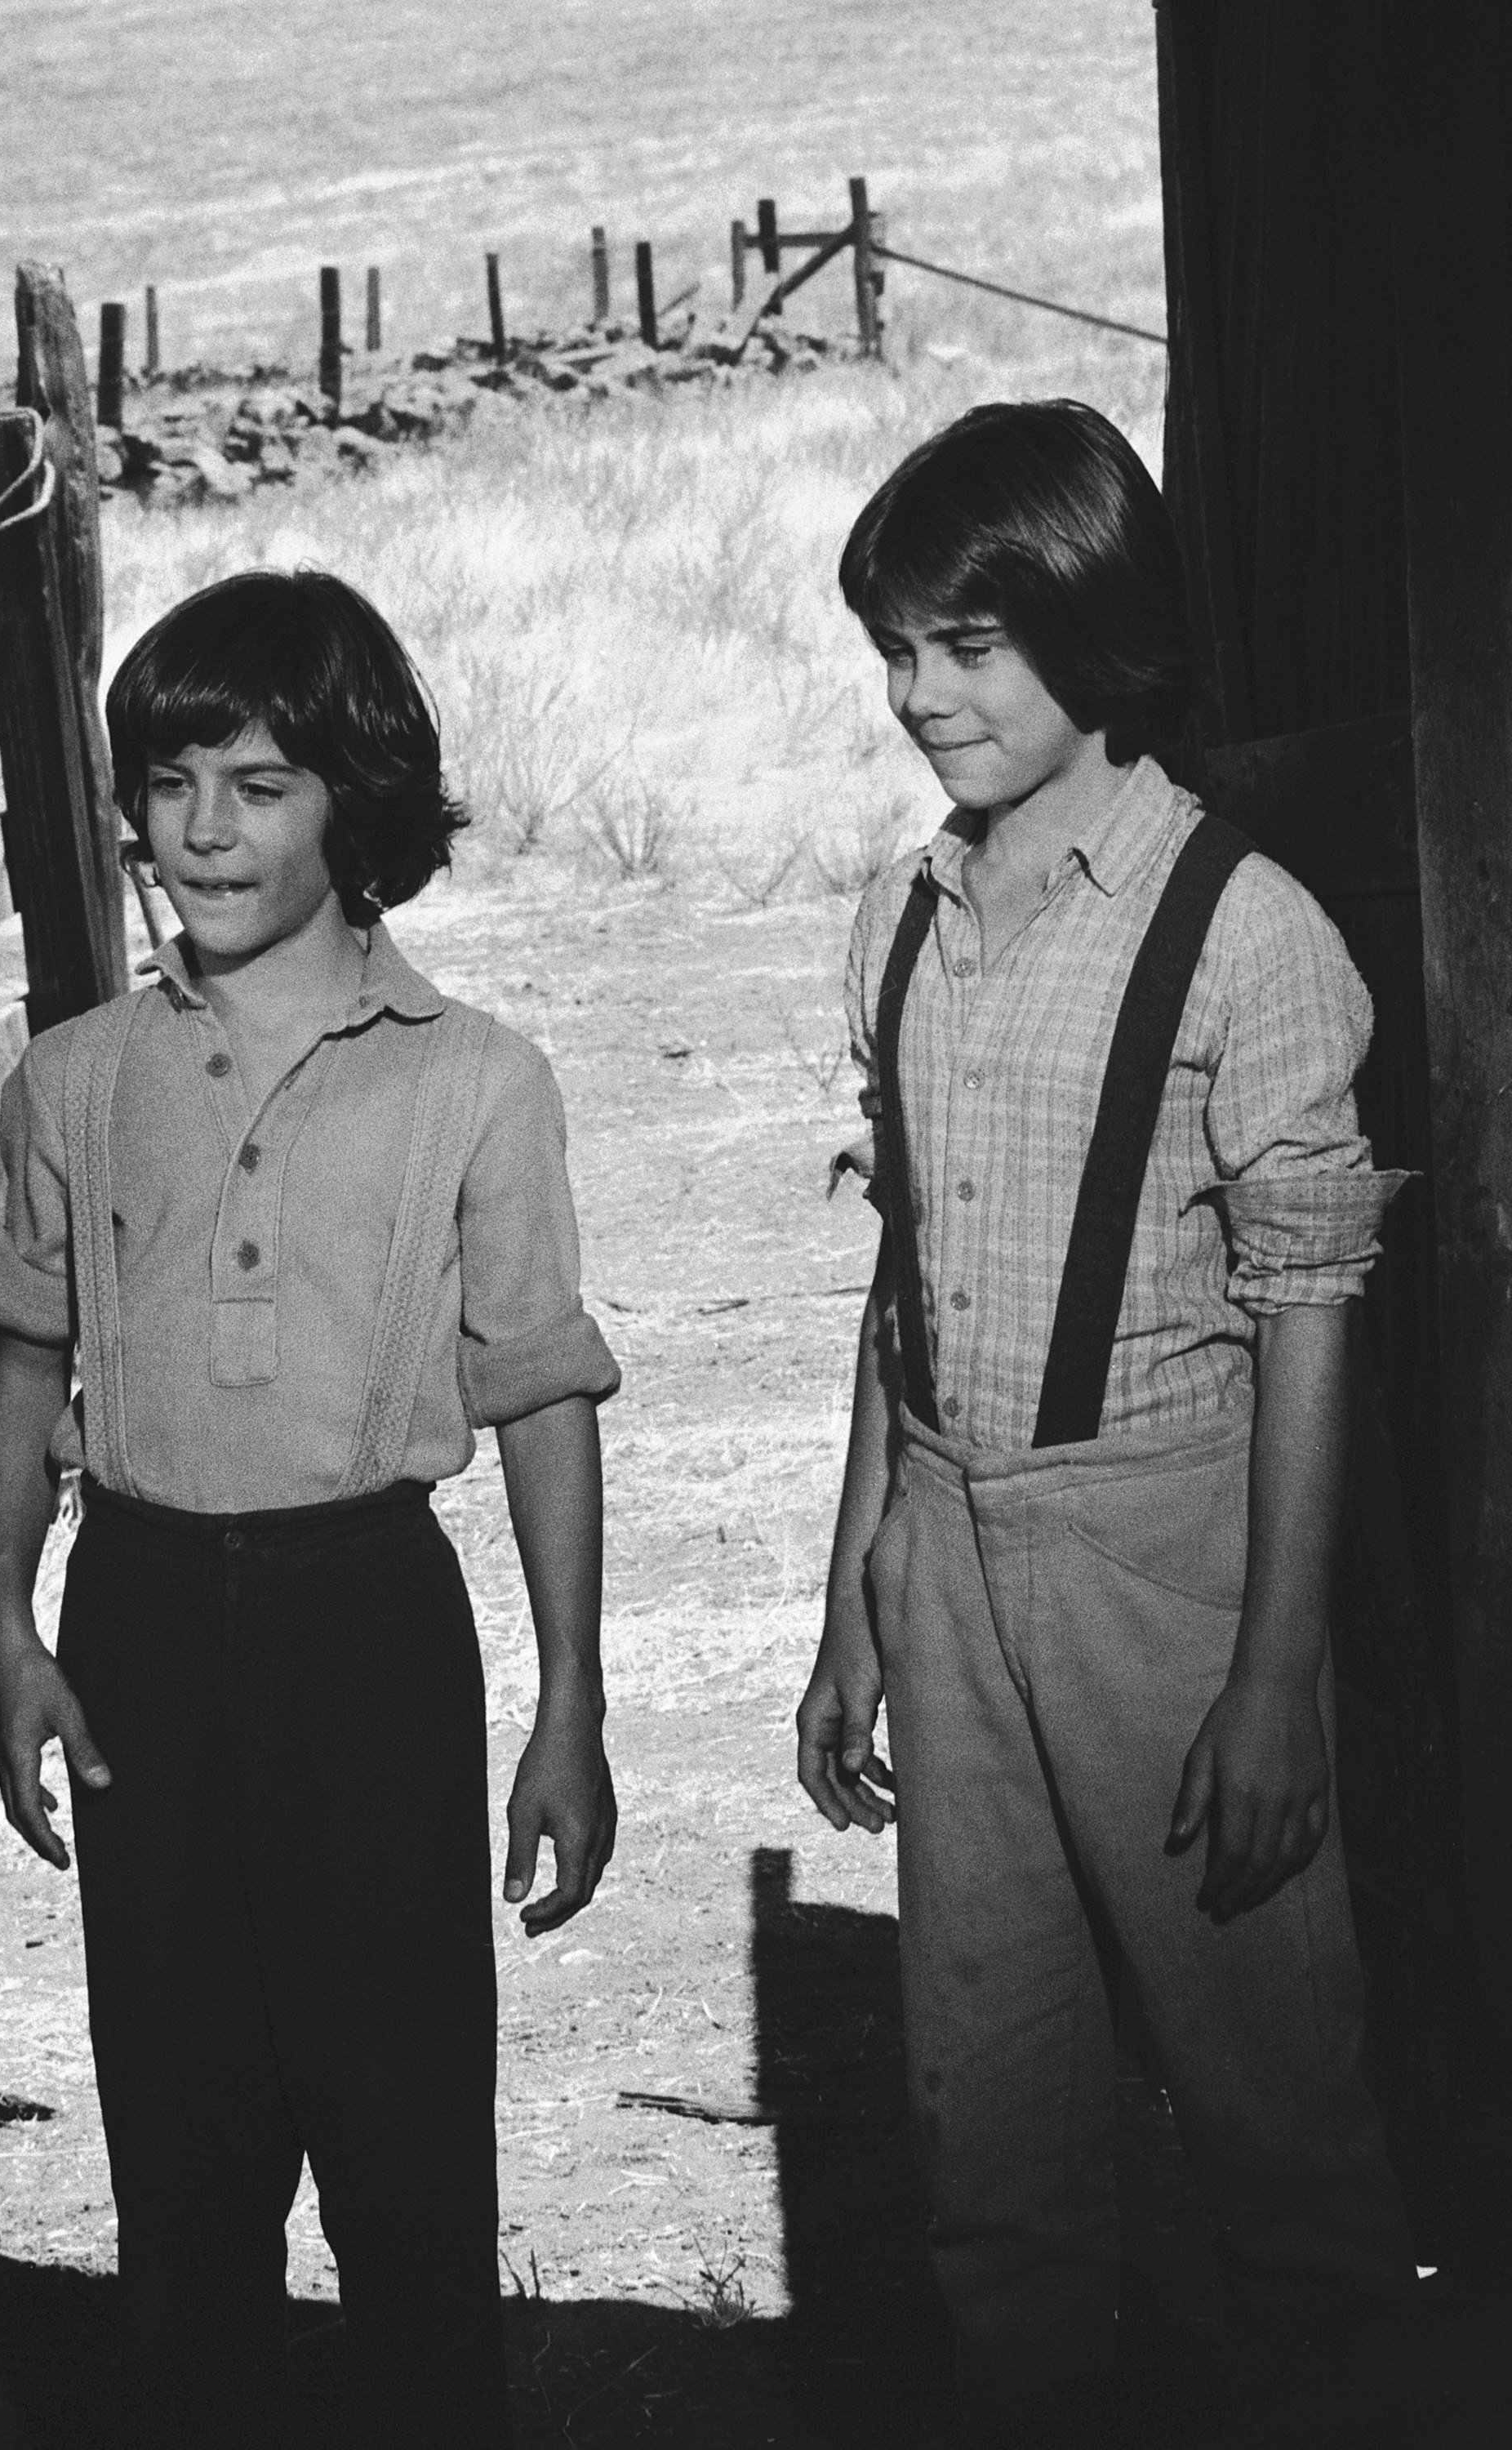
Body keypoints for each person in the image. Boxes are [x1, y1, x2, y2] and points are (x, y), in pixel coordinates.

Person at [796, 402, 1416, 2444]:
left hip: (1171, 1568)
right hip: (951, 1560)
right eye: (897, 648)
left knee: (1269, 2106)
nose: (918, 696)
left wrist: (1272, 1680)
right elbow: (908, 1287)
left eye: (968, 648)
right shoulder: (900, 920)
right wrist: (853, 1600)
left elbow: (1310, 1320)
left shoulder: (1240, 931)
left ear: (1092, 629)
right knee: (992, 2107)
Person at [0, 568, 620, 2450]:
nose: (203, 830)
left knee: (405, 2131)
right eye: (170, 782)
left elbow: (543, 1397)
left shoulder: (478, 1083)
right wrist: (12, 1631)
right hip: (141, 1626)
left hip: (368, 1631)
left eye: (256, 783)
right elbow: (24, 1361)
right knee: (181, 2139)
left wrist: (568, 1704)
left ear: (355, 800)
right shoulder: (77, 1079)